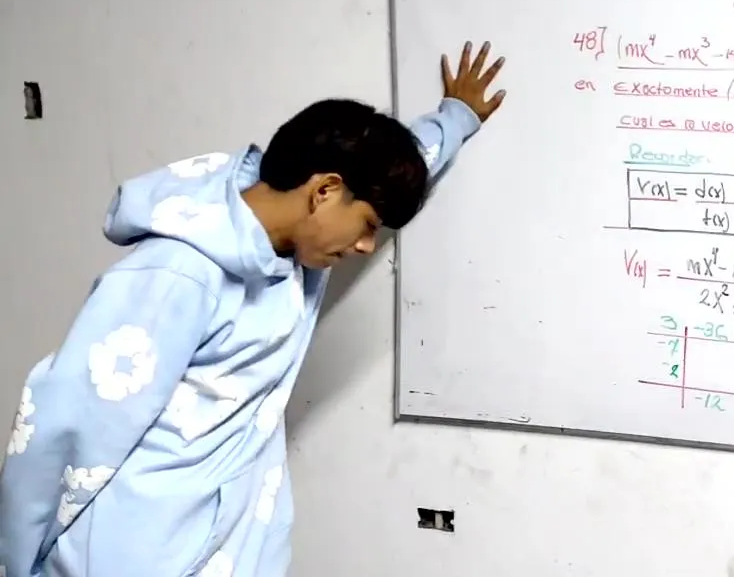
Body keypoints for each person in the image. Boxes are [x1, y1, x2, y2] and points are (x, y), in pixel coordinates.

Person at [0, 41, 507, 576]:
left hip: (231, 543)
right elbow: (61, 427)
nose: (365, 246)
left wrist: (459, 115)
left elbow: (399, 163)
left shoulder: (296, 252)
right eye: (367, 226)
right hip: (130, 554)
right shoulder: (178, 275)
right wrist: (15, 563)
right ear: (325, 191)